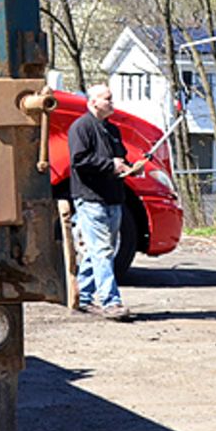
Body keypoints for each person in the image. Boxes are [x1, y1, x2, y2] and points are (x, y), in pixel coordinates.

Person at [67, 83, 136, 319]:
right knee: (103, 252)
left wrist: (128, 168)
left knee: (96, 252)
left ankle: (83, 297)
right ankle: (110, 302)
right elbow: (80, 160)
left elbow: (120, 158)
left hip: (114, 198)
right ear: (93, 101)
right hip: (90, 199)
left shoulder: (112, 130)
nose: (112, 103)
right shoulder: (81, 128)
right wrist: (110, 165)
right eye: (107, 99)